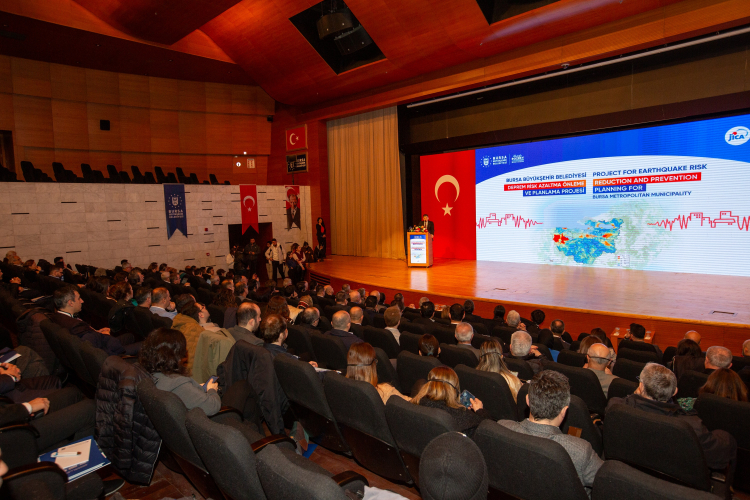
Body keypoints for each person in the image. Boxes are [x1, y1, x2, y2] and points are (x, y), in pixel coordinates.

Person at [606, 363, 737, 470]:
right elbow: (721, 452)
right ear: (675, 392)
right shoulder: (691, 426)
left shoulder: (616, 406)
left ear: (640, 386)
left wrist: (634, 395)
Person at [498, 371, 604, 494]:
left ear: (527, 400)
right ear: (564, 411)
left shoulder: (502, 428)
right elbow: (609, 483)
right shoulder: (580, 451)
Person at [140, 328, 260, 425]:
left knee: (244, 394)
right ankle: (252, 433)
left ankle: (249, 429)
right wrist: (212, 389)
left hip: (195, 412)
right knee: (244, 387)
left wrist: (198, 387)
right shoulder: (177, 383)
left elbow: (188, 394)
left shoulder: (152, 375)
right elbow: (212, 407)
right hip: (213, 419)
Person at [49, 285, 139, 356]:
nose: (82, 301)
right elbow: (95, 349)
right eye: (79, 298)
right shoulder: (75, 325)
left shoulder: (56, 317)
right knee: (142, 345)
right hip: (108, 351)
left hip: (100, 341)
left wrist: (96, 331)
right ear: (70, 303)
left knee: (130, 336)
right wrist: (104, 335)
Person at [411, 366, 490, 436]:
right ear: (454, 390)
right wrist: (480, 411)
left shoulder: (416, 403)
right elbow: (487, 429)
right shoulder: (462, 415)